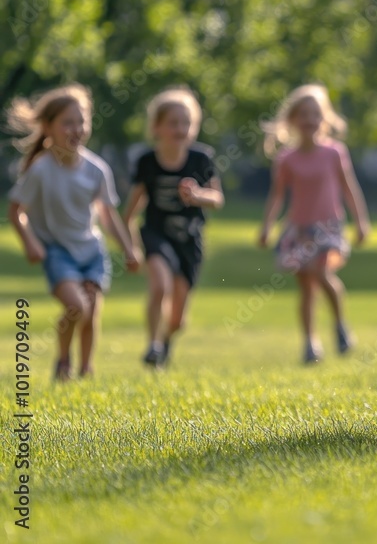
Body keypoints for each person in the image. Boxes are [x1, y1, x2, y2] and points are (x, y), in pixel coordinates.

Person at [6, 84, 140, 381]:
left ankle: (86, 369)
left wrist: (129, 248)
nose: (77, 129)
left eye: (82, 121)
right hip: (57, 251)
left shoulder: (96, 169)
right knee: (77, 305)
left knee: (90, 313)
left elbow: (107, 215)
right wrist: (30, 243)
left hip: (91, 251)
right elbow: (15, 211)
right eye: (68, 122)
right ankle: (64, 359)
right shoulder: (40, 169)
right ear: (48, 127)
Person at [258, 84, 371, 364]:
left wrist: (360, 222)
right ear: (293, 120)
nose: (309, 120)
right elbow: (277, 196)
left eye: (315, 114)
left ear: (324, 119)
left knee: (321, 273)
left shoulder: (334, 153)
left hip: (328, 227)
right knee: (306, 286)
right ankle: (310, 343)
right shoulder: (286, 159)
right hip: (298, 229)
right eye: (303, 114)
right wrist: (266, 227)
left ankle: (340, 324)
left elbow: (349, 188)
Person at [123, 87, 225, 368]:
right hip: (156, 234)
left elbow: (217, 198)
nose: (180, 128)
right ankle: (153, 344)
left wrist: (197, 196)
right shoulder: (147, 162)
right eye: (173, 122)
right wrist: (131, 247)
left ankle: (166, 341)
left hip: (189, 239)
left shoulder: (201, 159)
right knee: (159, 285)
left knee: (179, 319)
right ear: (157, 127)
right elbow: (130, 213)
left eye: (186, 122)